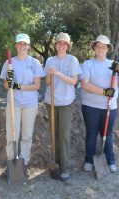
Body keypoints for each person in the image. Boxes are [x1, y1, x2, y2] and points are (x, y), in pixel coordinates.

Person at [80, 35, 119, 173]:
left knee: (108, 134)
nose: (100, 48)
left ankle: (110, 160)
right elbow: (85, 85)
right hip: (90, 106)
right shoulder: (88, 64)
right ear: (94, 47)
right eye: (98, 46)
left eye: (104, 46)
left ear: (108, 49)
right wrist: (105, 92)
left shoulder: (114, 65)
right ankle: (89, 160)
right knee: (91, 133)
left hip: (110, 107)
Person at [0, 33, 45, 177]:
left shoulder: (34, 63)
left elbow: (37, 85)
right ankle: (12, 163)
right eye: (19, 44)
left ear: (29, 46)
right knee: (12, 134)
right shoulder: (9, 63)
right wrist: (10, 80)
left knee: (26, 135)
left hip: (30, 104)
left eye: (25, 44)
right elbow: (6, 85)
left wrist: (17, 85)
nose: (22, 47)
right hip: (14, 103)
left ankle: (24, 163)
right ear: (16, 46)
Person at [44, 32, 81, 181]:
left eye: (64, 43)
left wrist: (58, 73)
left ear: (68, 46)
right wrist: (50, 75)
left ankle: (65, 167)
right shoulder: (49, 60)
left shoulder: (72, 60)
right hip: (51, 102)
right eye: (59, 43)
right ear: (56, 45)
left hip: (66, 103)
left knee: (64, 135)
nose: (61, 45)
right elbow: (46, 82)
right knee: (55, 134)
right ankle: (56, 163)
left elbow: (74, 82)